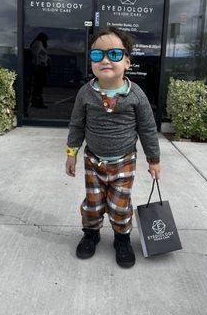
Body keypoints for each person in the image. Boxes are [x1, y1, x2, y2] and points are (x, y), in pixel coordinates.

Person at [65, 26, 161, 268]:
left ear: (127, 62)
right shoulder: (85, 93)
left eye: (115, 55)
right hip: (93, 160)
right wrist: (71, 154)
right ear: (92, 62)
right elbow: (76, 125)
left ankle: (122, 238)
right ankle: (91, 234)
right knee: (93, 203)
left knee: (120, 205)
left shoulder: (136, 94)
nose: (105, 60)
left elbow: (148, 128)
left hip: (124, 161)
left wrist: (154, 160)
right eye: (97, 55)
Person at [30, 32, 50, 109]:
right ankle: (37, 102)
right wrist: (36, 65)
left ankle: (37, 101)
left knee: (39, 85)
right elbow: (35, 55)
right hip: (40, 67)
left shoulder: (40, 44)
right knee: (38, 85)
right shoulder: (38, 43)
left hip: (42, 67)